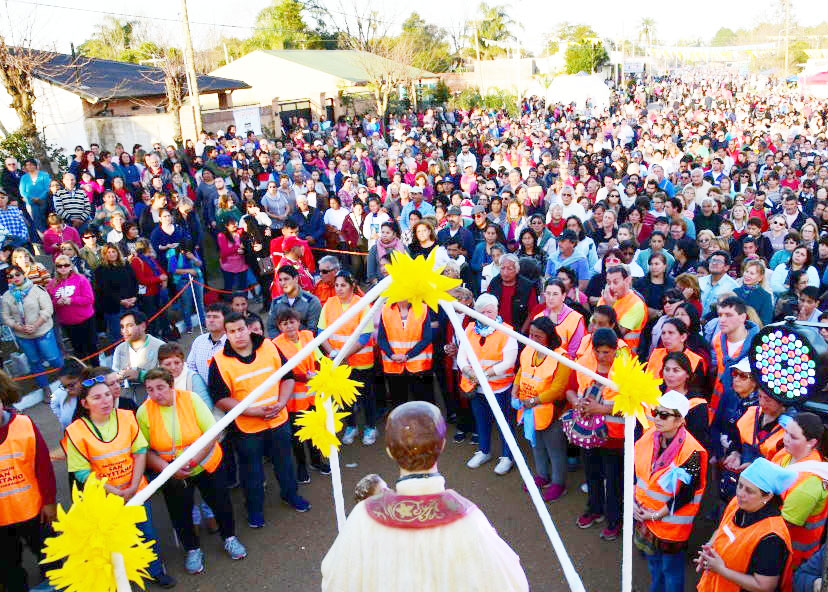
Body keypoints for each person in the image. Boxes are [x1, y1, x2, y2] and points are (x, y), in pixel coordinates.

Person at [321, 401, 528, 591]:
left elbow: (334, 581)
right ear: (442, 446)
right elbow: (512, 584)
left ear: (390, 452)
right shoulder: (467, 518)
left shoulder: (364, 516)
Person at [62, 374, 176, 588]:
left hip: (136, 490)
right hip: (105, 498)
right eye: (97, 398)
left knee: (146, 533)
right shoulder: (75, 431)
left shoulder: (126, 416)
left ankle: (154, 570)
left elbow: (140, 452)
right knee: (113, 541)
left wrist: (133, 486)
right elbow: (82, 473)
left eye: (107, 395)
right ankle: (123, 578)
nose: (105, 401)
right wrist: (114, 491)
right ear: (85, 403)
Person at [138, 369, 247, 575]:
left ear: (171, 386)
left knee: (220, 503)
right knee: (179, 512)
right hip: (172, 472)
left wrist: (194, 460)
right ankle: (192, 549)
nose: (155, 394)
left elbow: (212, 432)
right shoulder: (143, 412)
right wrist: (169, 469)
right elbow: (145, 450)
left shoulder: (191, 399)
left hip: (206, 463)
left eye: (160, 388)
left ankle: (230, 538)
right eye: (150, 390)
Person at [209, 311, 310, 528]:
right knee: (251, 471)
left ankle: (290, 495)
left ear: (248, 328)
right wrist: (252, 411)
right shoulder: (219, 361)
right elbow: (220, 399)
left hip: (278, 419)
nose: (238, 335)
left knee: (284, 462)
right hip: (247, 428)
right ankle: (254, 510)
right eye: (232, 331)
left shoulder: (269, 346)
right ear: (226, 334)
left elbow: (288, 378)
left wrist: (282, 403)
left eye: (241, 329)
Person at [634, 390, 708, 592]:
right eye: (656, 412)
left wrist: (655, 515)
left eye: (664, 415)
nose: (657, 418)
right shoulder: (649, 436)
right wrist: (634, 504)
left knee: (671, 571)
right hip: (645, 516)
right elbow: (637, 474)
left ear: (680, 420)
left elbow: (686, 493)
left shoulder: (692, 451)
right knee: (654, 565)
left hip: (670, 525)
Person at [0, 370, 59, 592]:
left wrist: (49, 502)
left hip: (35, 511)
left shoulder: (24, 424)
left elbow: (43, 467)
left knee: (50, 557)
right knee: (8, 569)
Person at [695, 458, 793, 592]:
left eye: (749, 491)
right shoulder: (738, 503)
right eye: (740, 485)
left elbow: (764, 586)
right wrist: (709, 548)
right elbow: (722, 528)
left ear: (767, 497)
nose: (740, 494)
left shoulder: (771, 537)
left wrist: (721, 570)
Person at [570, 328, 624, 541]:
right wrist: (577, 403)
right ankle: (594, 509)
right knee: (592, 474)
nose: (601, 357)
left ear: (615, 350)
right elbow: (572, 389)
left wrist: (603, 409)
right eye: (597, 352)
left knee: (613, 481)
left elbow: (636, 406)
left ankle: (614, 519)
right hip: (589, 433)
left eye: (606, 352)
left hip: (614, 438)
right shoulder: (585, 364)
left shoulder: (626, 370)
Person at [512, 316, 572, 502]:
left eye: (538, 336)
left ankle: (558, 483)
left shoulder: (562, 357)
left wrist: (535, 400)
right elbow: (522, 371)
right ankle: (542, 476)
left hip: (551, 411)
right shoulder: (529, 350)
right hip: (529, 409)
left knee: (555, 449)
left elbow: (558, 388)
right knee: (536, 444)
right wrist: (515, 390)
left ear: (549, 337)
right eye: (531, 335)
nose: (533, 339)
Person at [458, 293, 519, 476]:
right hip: (475, 386)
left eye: (490, 312)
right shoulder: (469, 329)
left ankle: (507, 457)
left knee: (504, 423)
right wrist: (469, 372)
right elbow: (462, 357)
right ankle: (483, 451)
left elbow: (508, 362)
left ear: (497, 310)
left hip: (500, 387)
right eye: (482, 312)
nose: (486, 315)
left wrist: (483, 374)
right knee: (481, 420)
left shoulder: (507, 331)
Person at [272, 308, 330, 482]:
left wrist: (322, 371)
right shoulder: (275, 344)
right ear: (279, 326)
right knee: (298, 435)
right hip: (293, 397)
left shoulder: (308, 335)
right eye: (284, 323)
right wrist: (303, 377)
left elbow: (318, 356)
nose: (289, 326)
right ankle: (301, 466)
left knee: (314, 429)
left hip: (312, 393)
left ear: (298, 322)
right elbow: (281, 372)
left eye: (291, 322)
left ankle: (316, 460)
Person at [318, 272, 376, 445]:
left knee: (366, 396)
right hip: (338, 362)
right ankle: (351, 426)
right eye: (336, 285)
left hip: (361, 362)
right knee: (344, 397)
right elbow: (322, 332)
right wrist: (335, 354)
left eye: (343, 285)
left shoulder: (362, 304)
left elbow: (364, 337)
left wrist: (342, 355)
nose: (339, 289)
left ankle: (370, 427)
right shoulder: (329, 304)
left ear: (352, 285)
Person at [769, 412, 828, 569]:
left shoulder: (810, 484)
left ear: (812, 442)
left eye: (793, 437)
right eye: (786, 432)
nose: (785, 439)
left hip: (791, 557)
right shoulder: (785, 454)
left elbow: (782, 526)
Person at [1, 265, 63, 401]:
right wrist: (17, 326)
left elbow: (47, 309)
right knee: (34, 362)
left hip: (43, 332)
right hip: (23, 336)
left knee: (53, 358)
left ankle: (68, 378)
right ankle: (45, 388)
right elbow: (5, 316)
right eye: (10, 276)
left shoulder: (37, 290)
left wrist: (36, 325)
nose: (14, 278)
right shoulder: (7, 296)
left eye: (17, 274)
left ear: (24, 274)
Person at [378, 299, 434, 408]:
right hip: (394, 366)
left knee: (423, 405)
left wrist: (408, 355)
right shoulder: (386, 309)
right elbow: (381, 338)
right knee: (398, 405)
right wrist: (391, 355)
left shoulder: (422, 308)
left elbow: (427, 338)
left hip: (419, 367)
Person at [46, 255, 97, 363]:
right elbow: (48, 304)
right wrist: (57, 303)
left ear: (71, 266)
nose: (63, 268)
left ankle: (97, 370)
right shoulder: (52, 284)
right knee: (78, 350)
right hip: (68, 323)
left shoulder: (81, 279)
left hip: (86, 320)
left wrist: (72, 300)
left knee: (91, 347)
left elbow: (89, 299)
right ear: (56, 268)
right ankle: (84, 372)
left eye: (66, 265)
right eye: (59, 266)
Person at [111, 309, 165, 404]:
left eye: (130, 326)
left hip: (155, 402)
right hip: (128, 403)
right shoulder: (120, 349)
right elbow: (115, 374)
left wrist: (140, 375)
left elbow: (168, 377)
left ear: (143, 326)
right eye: (122, 327)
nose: (125, 331)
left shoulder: (160, 347)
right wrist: (119, 377)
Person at [94, 243, 138, 342]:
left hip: (131, 304)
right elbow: (104, 291)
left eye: (113, 251)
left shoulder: (125, 264)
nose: (111, 254)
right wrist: (120, 301)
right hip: (114, 308)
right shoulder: (100, 270)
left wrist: (134, 297)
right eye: (108, 252)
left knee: (134, 332)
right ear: (104, 254)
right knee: (118, 335)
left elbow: (134, 281)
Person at [598, 264, 648, 353]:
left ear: (627, 280)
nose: (611, 287)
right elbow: (592, 327)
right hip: (600, 352)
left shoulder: (636, 304)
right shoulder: (604, 298)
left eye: (616, 282)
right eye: (608, 283)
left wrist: (609, 308)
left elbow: (617, 335)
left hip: (623, 358)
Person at [487, 253, 538, 334]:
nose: (505, 272)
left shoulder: (527, 286)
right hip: (495, 330)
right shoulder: (494, 283)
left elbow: (533, 312)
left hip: (518, 332)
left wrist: (522, 332)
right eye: (502, 268)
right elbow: (487, 306)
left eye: (509, 269)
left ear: (517, 270)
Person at [267, 265, 322, 337]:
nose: (282, 283)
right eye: (280, 280)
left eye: (286, 279)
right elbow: (271, 328)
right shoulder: (276, 303)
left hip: (307, 345)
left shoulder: (312, 302)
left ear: (296, 279)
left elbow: (312, 330)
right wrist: (283, 344)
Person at [157, 343, 210, 407]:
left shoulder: (193, 379)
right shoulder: (155, 380)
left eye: (177, 363)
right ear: (160, 366)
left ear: (182, 362)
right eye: (168, 364)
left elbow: (206, 407)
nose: (173, 367)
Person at [699, 250, 740, 316]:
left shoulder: (733, 287)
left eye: (719, 262)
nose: (714, 263)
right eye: (712, 260)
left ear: (726, 267)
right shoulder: (700, 281)